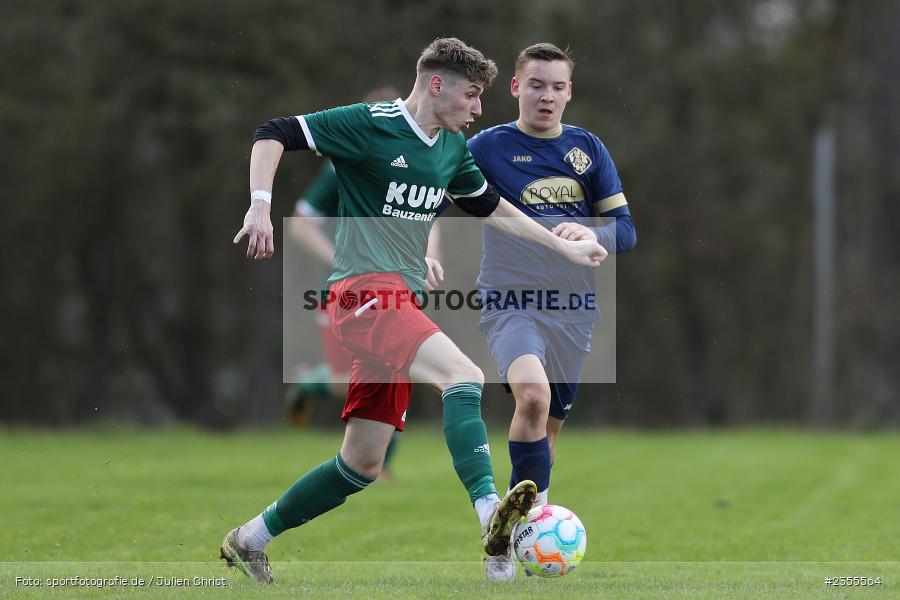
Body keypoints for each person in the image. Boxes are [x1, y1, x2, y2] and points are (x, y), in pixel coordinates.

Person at [224, 37, 607, 584]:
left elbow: (489, 207)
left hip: (397, 299)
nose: (478, 110)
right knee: (463, 377)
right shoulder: (369, 123)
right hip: (361, 294)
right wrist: (260, 206)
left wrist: (563, 245)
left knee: (361, 464)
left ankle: (249, 539)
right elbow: (274, 132)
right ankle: (490, 517)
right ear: (437, 85)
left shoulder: (451, 148)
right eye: (472, 96)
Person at [467, 43, 637, 581]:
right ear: (516, 87)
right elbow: (436, 195)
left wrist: (592, 231)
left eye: (557, 86)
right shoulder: (486, 147)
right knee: (532, 396)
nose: (547, 95)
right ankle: (502, 547)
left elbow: (627, 230)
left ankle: (523, 526)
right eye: (536, 84)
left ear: (569, 92)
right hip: (509, 300)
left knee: (549, 433)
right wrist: (424, 249)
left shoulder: (588, 150)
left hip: (573, 309)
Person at [285, 86, 425, 482]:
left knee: (400, 365)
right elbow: (300, 224)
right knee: (348, 379)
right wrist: (344, 261)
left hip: (399, 283)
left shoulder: (420, 162)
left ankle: (380, 465)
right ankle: (311, 385)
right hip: (345, 288)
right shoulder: (343, 167)